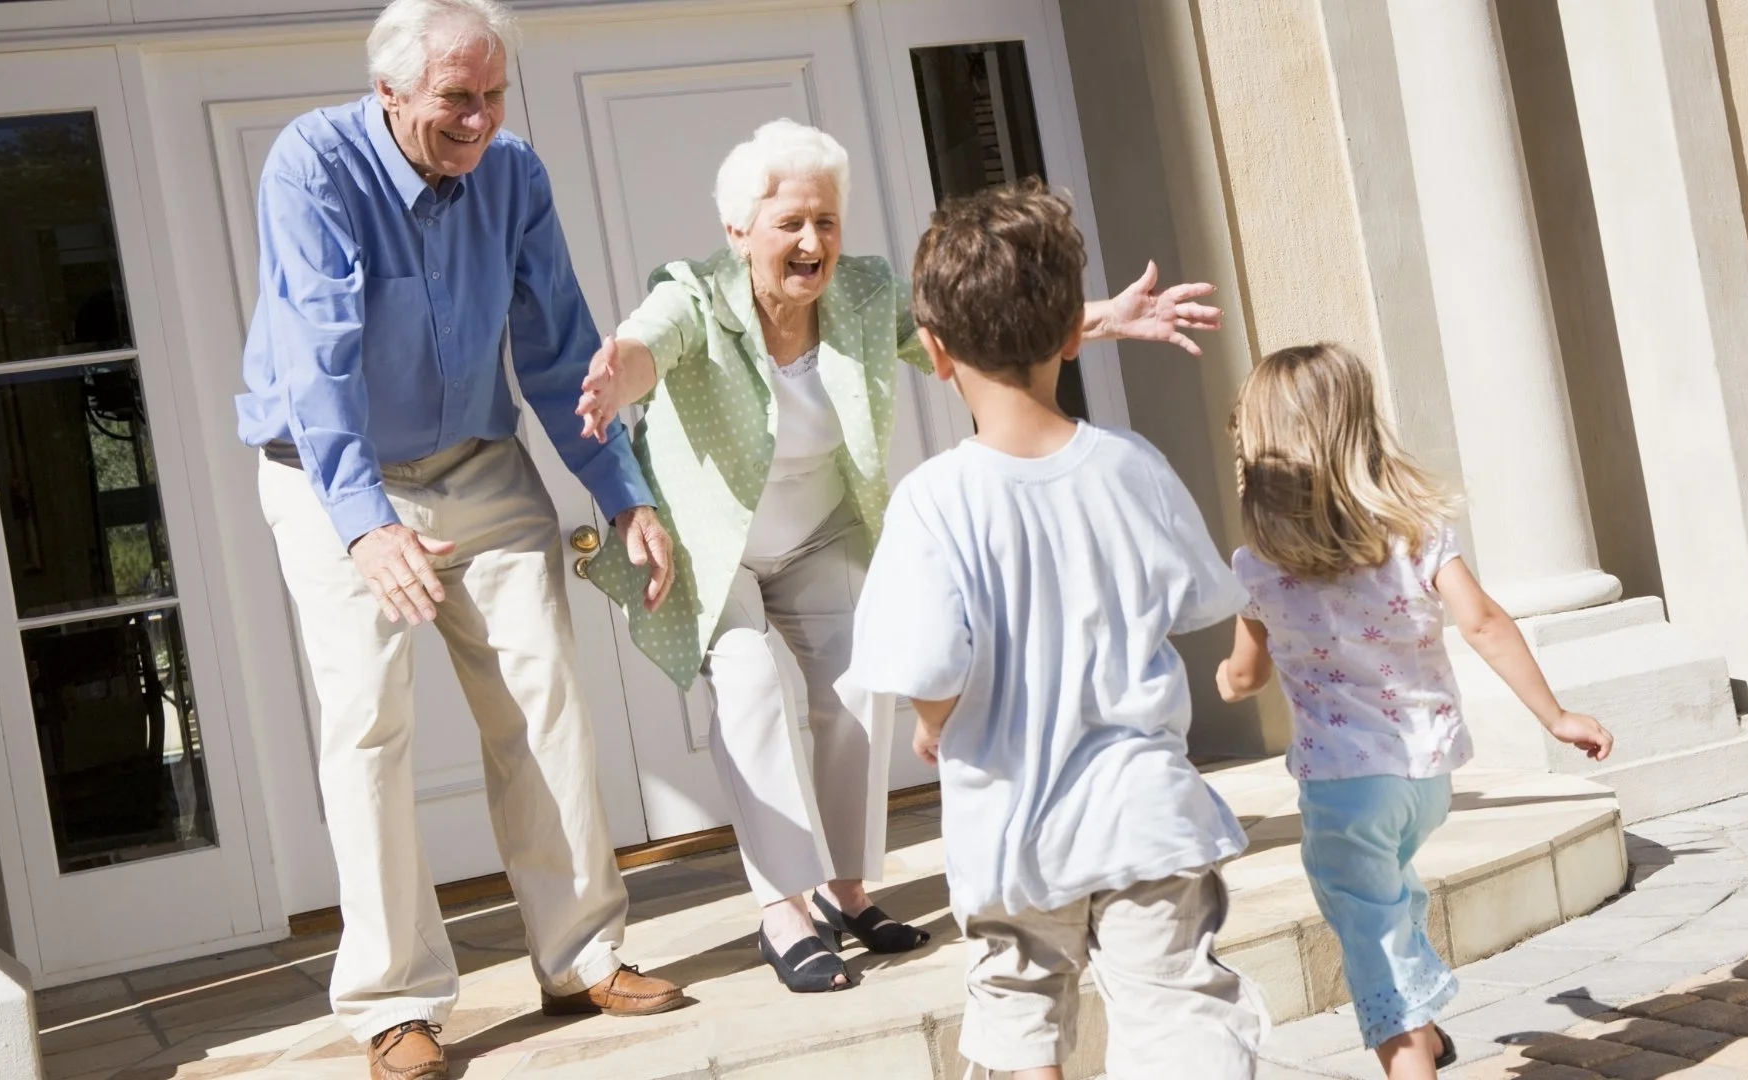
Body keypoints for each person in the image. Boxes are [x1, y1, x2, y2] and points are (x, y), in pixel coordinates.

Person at [572, 120, 1224, 993]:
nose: (813, 243)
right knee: (752, 685)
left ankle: (845, 890)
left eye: (827, 222)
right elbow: (646, 347)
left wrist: (1101, 318)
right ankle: (783, 908)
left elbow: (976, 329)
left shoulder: (865, 291)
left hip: (818, 531)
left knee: (856, 684)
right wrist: (616, 377)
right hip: (717, 548)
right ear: (738, 231)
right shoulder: (693, 297)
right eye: (790, 224)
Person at [237, 2, 685, 1076]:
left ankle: (581, 955)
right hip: (330, 472)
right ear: (389, 92)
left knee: (543, 699)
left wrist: (622, 492)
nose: (480, 120)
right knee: (369, 723)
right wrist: (364, 526)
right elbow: (318, 357)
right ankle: (392, 1002)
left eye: (493, 95)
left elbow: (558, 344)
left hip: (479, 464)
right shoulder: (314, 165)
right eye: (455, 98)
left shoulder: (513, 174)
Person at [835, 180, 1270, 1080]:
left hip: (1011, 829)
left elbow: (929, 668)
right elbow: (1200, 598)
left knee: (1018, 1018)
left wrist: (932, 723)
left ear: (934, 349)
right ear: (1075, 331)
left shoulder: (931, 501)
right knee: (1178, 1013)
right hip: (1144, 815)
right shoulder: (1132, 465)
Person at [1214, 343, 1615, 1080]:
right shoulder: (1416, 532)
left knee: (1368, 933)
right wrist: (1555, 716)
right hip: (1426, 779)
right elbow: (1483, 623)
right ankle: (1425, 1034)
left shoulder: (1257, 566)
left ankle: (1408, 1056)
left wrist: (1226, 682)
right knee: (1390, 894)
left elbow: (1243, 675)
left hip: (1343, 789)